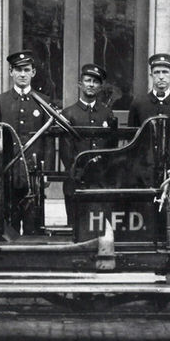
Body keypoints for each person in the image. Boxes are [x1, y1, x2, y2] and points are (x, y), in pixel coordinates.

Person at [0, 51, 54, 233]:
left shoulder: (43, 101)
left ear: (33, 72)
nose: (23, 74)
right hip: (8, 172)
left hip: (34, 173)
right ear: (11, 72)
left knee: (34, 226)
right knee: (9, 225)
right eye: (18, 70)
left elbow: (48, 140)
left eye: (27, 70)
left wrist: (46, 172)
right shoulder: (0, 101)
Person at [60, 63, 116, 224]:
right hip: (76, 180)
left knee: (100, 226)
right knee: (75, 226)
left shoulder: (106, 113)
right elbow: (66, 151)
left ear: (100, 87)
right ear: (80, 84)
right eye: (87, 80)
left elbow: (112, 146)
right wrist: (78, 171)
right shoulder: (68, 113)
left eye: (95, 82)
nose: (91, 85)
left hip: (100, 181)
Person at [127, 53, 170, 127]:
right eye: (157, 72)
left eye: (165, 72)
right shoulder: (139, 103)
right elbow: (132, 132)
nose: (161, 77)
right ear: (151, 76)